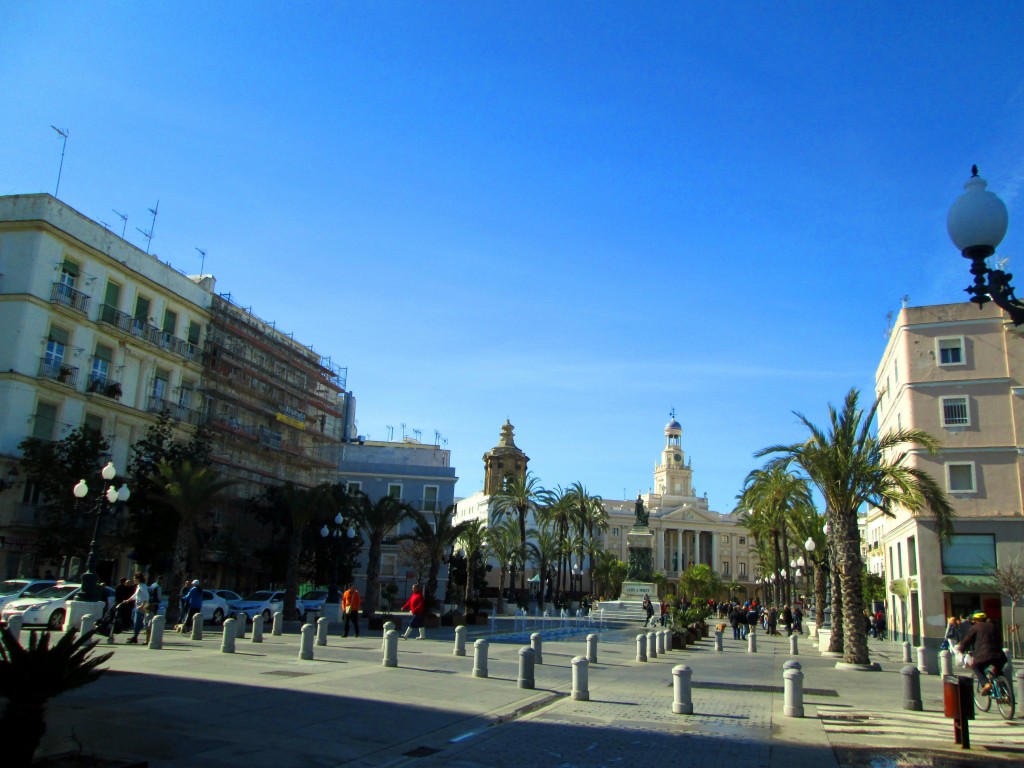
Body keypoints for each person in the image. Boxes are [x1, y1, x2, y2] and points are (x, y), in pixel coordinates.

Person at [956, 612, 1009, 694]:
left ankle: (986, 684)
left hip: (984, 656)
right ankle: (1006, 693)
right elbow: (999, 639)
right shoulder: (993, 626)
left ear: (975, 620)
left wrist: (961, 650)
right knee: (999, 671)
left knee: (976, 667)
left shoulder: (975, 627)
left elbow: (967, 640)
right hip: (999, 655)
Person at [122, 572, 149, 644]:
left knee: (138, 622)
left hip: (141, 607)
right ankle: (135, 636)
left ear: (138, 579)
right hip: (137, 606)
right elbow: (135, 595)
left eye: (134, 578)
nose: (133, 579)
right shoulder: (139, 586)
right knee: (135, 621)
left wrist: (142, 605)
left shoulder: (143, 586)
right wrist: (127, 600)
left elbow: (146, 597)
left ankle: (136, 637)